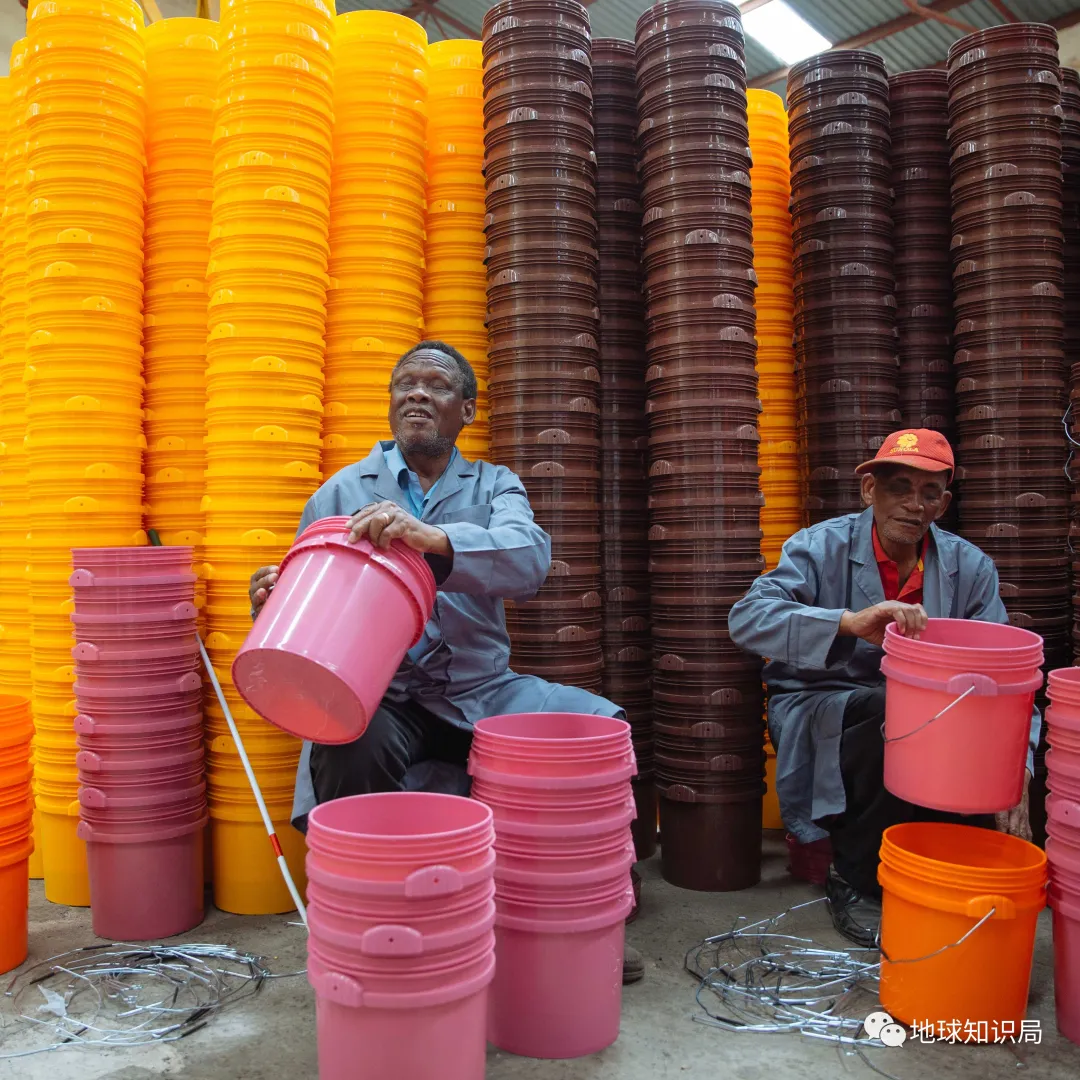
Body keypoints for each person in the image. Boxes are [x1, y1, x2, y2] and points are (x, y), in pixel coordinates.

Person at [249, 340, 644, 983]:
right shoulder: (342, 491)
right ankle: (368, 920)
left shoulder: (494, 485)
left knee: (596, 726)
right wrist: (269, 602)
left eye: (435, 385)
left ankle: (576, 919)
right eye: (404, 384)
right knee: (350, 739)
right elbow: (305, 615)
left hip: (481, 689)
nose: (416, 394)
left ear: (466, 409)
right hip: (384, 694)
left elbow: (529, 559)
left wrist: (432, 539)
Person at [728, 429, 1040, 948]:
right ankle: (854, 876)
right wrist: (848, 622)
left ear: (944, 502)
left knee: (973, 739)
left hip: (939, 719)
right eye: (899, 487)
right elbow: (748, 620)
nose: (914, 505)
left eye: (930, 493)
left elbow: (1006, 677)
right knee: (895, 714)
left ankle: (953, 882)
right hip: (825, 706)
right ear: (869, 491)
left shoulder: (970, 568)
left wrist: (1019, 768)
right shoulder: (818, 546)